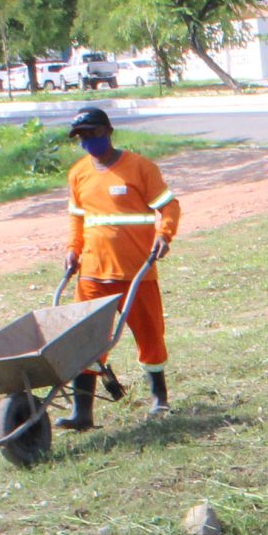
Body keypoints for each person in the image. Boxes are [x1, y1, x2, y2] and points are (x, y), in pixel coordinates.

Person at [61, 106, 180, 423]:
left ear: (108, 132)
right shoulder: (78, 174)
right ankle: (81, 413)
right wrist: (73, 249)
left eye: (93, 134)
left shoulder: (140, 168)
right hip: (92, 275)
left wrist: (164, 235)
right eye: (82, 137)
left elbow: (169, 207)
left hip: (136, 273)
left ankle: (160, 399)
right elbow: (78, 220)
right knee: (83, 340)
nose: (88, 142)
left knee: (150, 336)